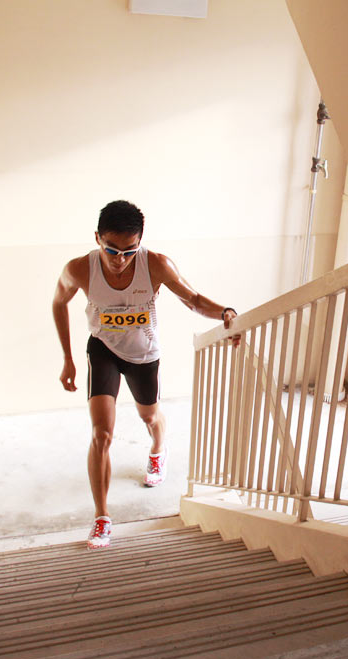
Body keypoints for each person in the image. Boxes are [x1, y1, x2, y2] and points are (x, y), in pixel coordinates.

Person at [53, 200, 238, 550]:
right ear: (97, 238)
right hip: (103, 349)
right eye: (111, 250)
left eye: (128, 251)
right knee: (101, 433)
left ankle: (157, 449)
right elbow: (58, 302)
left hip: (143, 354)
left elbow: (194, 299)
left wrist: (226, 313)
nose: (120, 259)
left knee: (149, 415)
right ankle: (102, 518)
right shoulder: (79, 269)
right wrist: (67, 358)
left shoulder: (156, 264)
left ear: (140, 242)